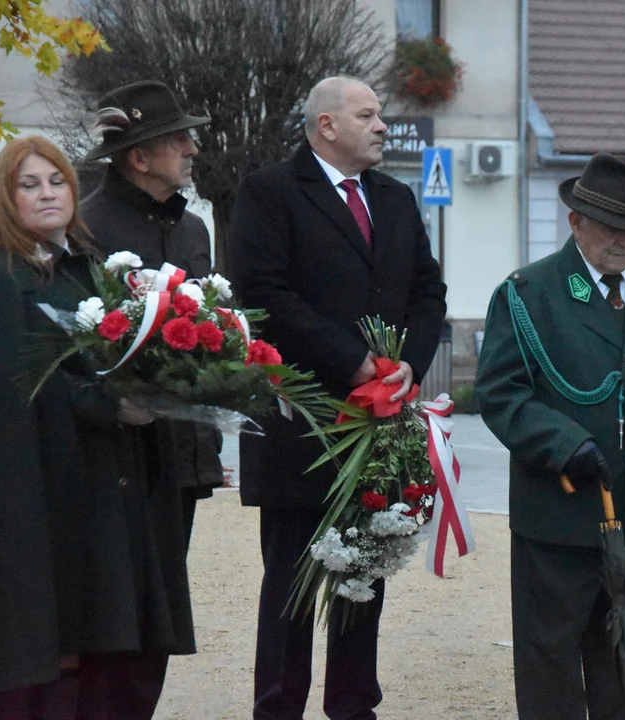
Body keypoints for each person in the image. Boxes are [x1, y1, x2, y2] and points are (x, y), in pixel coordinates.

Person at [0, 136, 195, 718]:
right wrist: (108, 405)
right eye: (29, 184)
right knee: (46, 651)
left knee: (102, 652)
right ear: (5, 199)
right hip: (41, 492)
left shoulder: (85, 268)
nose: (47, 193)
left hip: (98, 486)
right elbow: (13, 387)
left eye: (57, 181)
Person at [228, 76, 446, 720]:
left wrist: (410, 364)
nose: (383, 125)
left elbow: (427, 292)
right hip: (303, 421)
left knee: (365, 568)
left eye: (380, 114)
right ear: (326, 125)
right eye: (368, 115)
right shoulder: (269, 192)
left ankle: (354, 705)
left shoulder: (397, 199)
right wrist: (351, 362)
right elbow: (264, 293)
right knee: (292, 581)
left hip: (379, 424)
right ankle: (279, 706)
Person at [474, 152, 625, 720]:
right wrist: (563, 445)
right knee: (550, 662)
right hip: (558, 512)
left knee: (624, 661)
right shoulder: (529, 293)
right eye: (612, 226)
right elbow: (501, 393)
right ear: (576, 221)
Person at [81, 79, 224, 544]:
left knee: (168, 590)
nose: (192, 149)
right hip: (110, 451)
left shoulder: (193, 230)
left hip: (181, 449)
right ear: (138, 158)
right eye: (178, 139)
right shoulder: (84, 229)